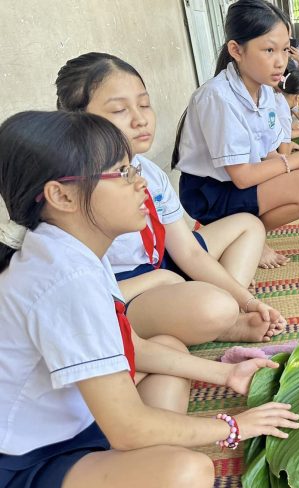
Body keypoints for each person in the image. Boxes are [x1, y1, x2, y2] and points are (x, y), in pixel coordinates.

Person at [0, 110, 299, 488]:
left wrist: (225, 375)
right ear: (61, 195)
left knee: (169, 350)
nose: (141, 183)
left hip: (82, 421)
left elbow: (134, 349)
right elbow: (127, 426)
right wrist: (232, 426)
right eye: (123, 173)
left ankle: (135, 470)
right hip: (29, 461)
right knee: (186, 474)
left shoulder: (74, 250)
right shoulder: (63, 279)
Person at [55, 52, 285, 345]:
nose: (140, 120)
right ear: (77, 120)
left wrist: (248, 301)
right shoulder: (71, 190)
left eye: (144, 104)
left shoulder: (147, 170)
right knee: (213, 306)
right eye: (119, 110)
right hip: (125, 288)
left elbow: (188, 251)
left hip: (162, 261)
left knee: (249, 226)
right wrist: (164, 280)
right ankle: (219, 322)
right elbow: (78, 293)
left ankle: (219, 312)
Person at [173, 0, 299, 237]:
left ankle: (245, 233)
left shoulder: (265, 92)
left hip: (239, 181)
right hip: (211, 192)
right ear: (236, 50)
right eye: (269, 50)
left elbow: (269, 153)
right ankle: (240, 236)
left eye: (285, 50)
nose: (280, 61)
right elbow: (243, 177)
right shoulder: (218, 98)